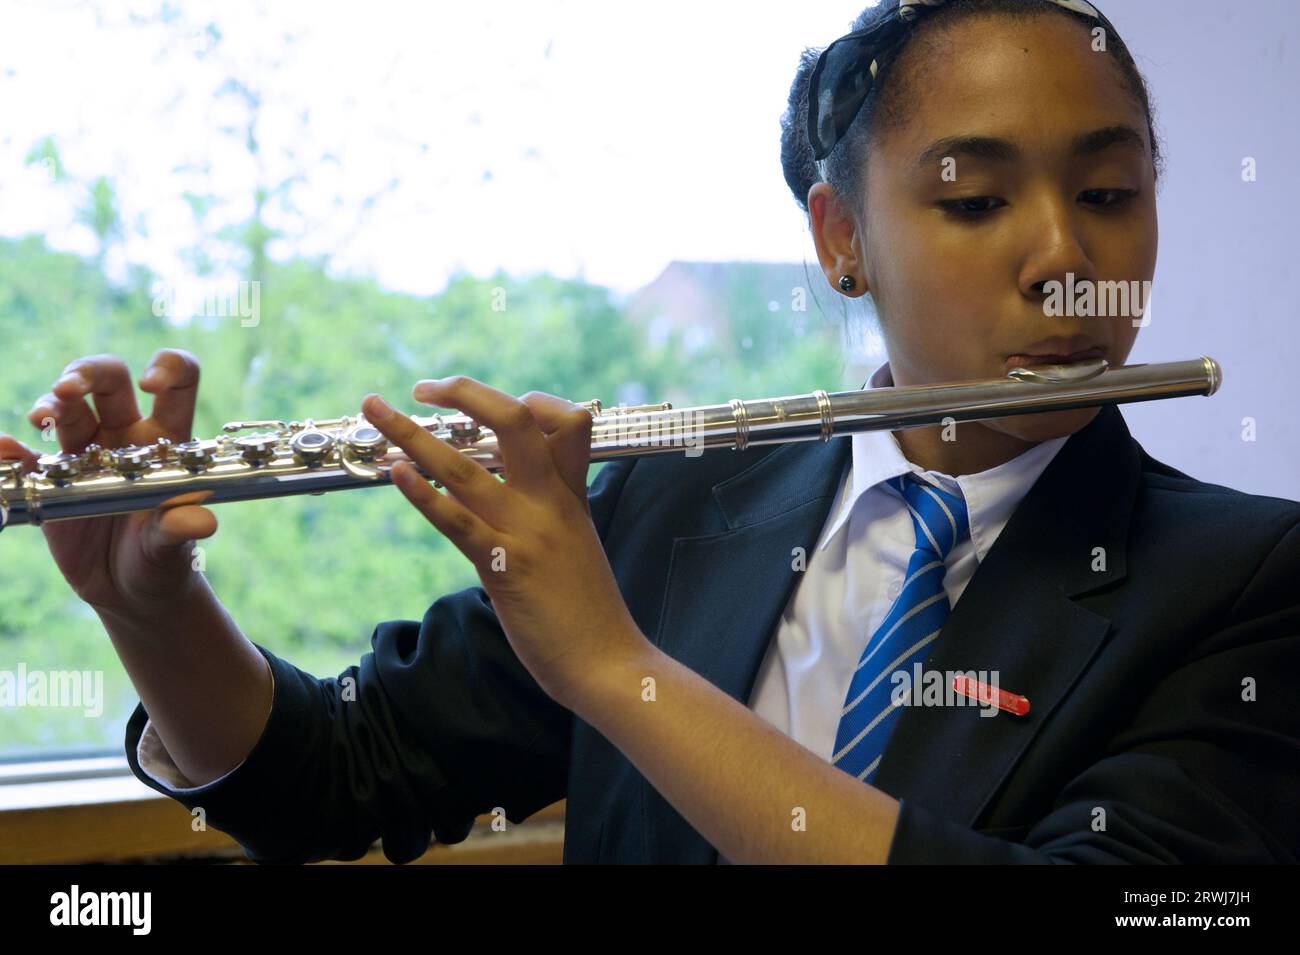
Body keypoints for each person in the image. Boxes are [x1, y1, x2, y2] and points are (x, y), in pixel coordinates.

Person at [2, 0, 1297, 864]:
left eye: (1111, 193)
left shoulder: (1247, 583)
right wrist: (152, 609)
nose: (1068, 259)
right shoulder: (676, 503)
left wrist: (615, 669)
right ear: (841, 242)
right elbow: (333, 779)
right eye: (973, 199)